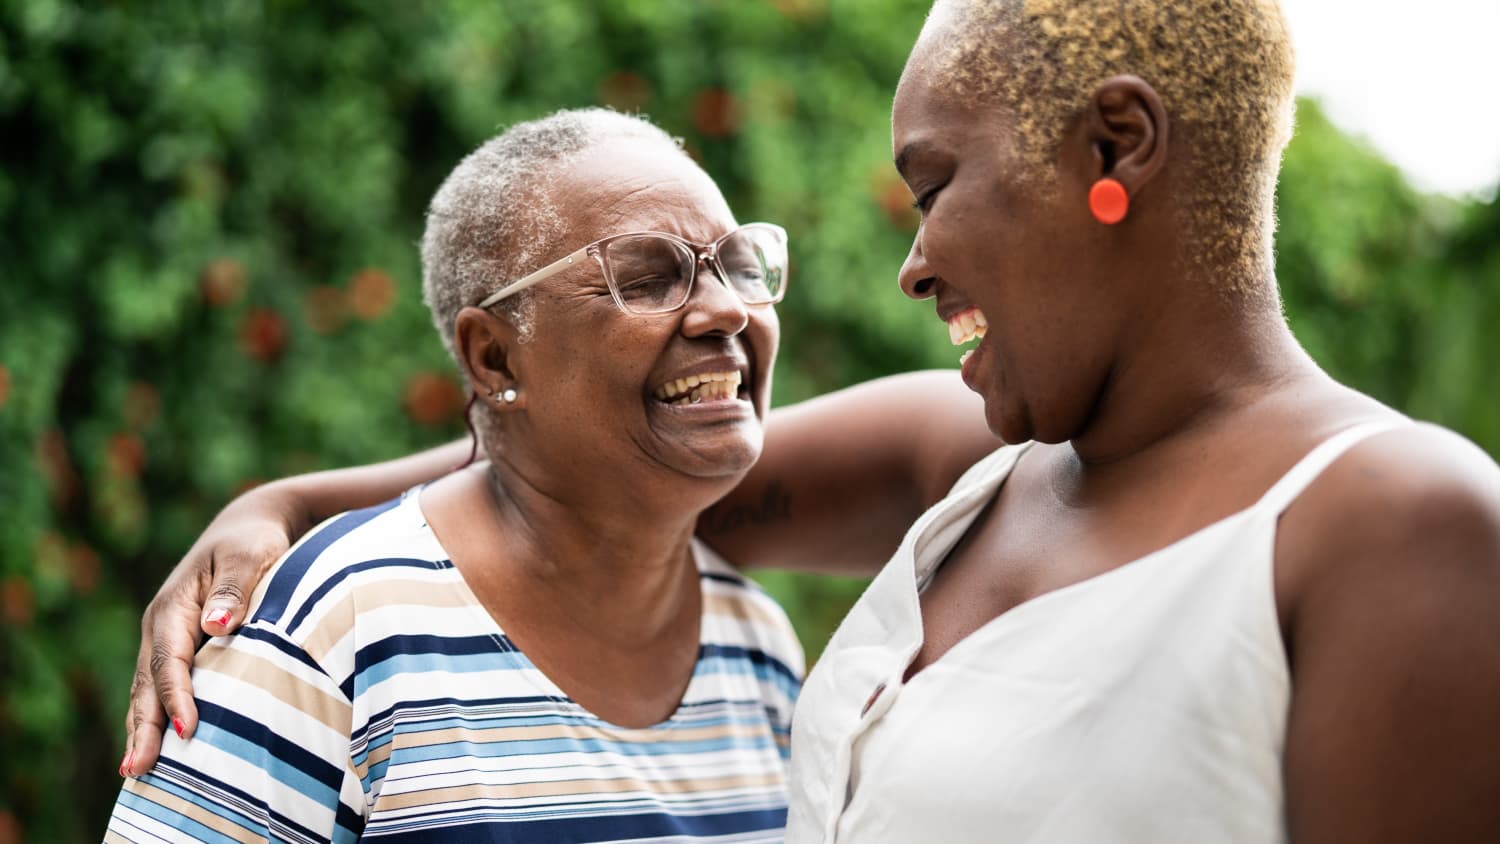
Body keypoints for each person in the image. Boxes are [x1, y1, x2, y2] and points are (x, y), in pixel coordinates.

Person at [127, 0, 1500, 840]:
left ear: (1114, 147)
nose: (911, 261)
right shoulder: (976, 465)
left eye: (932, 182)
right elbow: (613, 455)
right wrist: (293, 507)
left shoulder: (1392, 523)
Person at [106, 107, 996, 843]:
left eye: (735, 264)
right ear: (493, 357)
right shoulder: (328, 630)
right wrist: (288, 510)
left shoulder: (753, 649)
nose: (728, 306)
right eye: (649, 276)